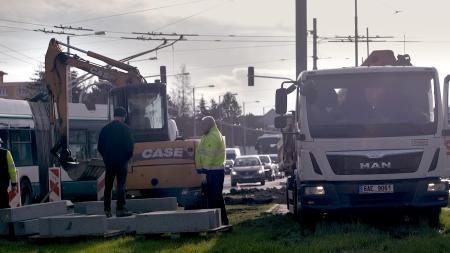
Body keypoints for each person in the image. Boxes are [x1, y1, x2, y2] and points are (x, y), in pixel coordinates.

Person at [98, 107, 134, 217]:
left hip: (109, 161)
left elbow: (100, 147)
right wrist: (127, 158)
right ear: (123, 117)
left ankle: (107, 210)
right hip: (121, 161)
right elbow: (129, 147)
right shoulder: (125, 129)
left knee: (108, 186)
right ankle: (120, 209)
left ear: (114, 116)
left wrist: (106, 158)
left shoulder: (105, 129)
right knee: (121, 185)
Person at [195, 116, 229, 225]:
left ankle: (215, 223)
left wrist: (204, 171)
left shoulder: (212, 137)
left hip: (213, 172)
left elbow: (209, 156)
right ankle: (222, 222)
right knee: (215, 197)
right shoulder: (209, 135)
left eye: (203, 124)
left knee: (213, 198)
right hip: (212, 171)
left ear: (209, 124)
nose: (201, 127)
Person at [0, 138, 17, 209]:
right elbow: (12, 170)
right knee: (4, 205)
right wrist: (14, 184)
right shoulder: (6, 153)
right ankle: (6, 219)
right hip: (3, 186)